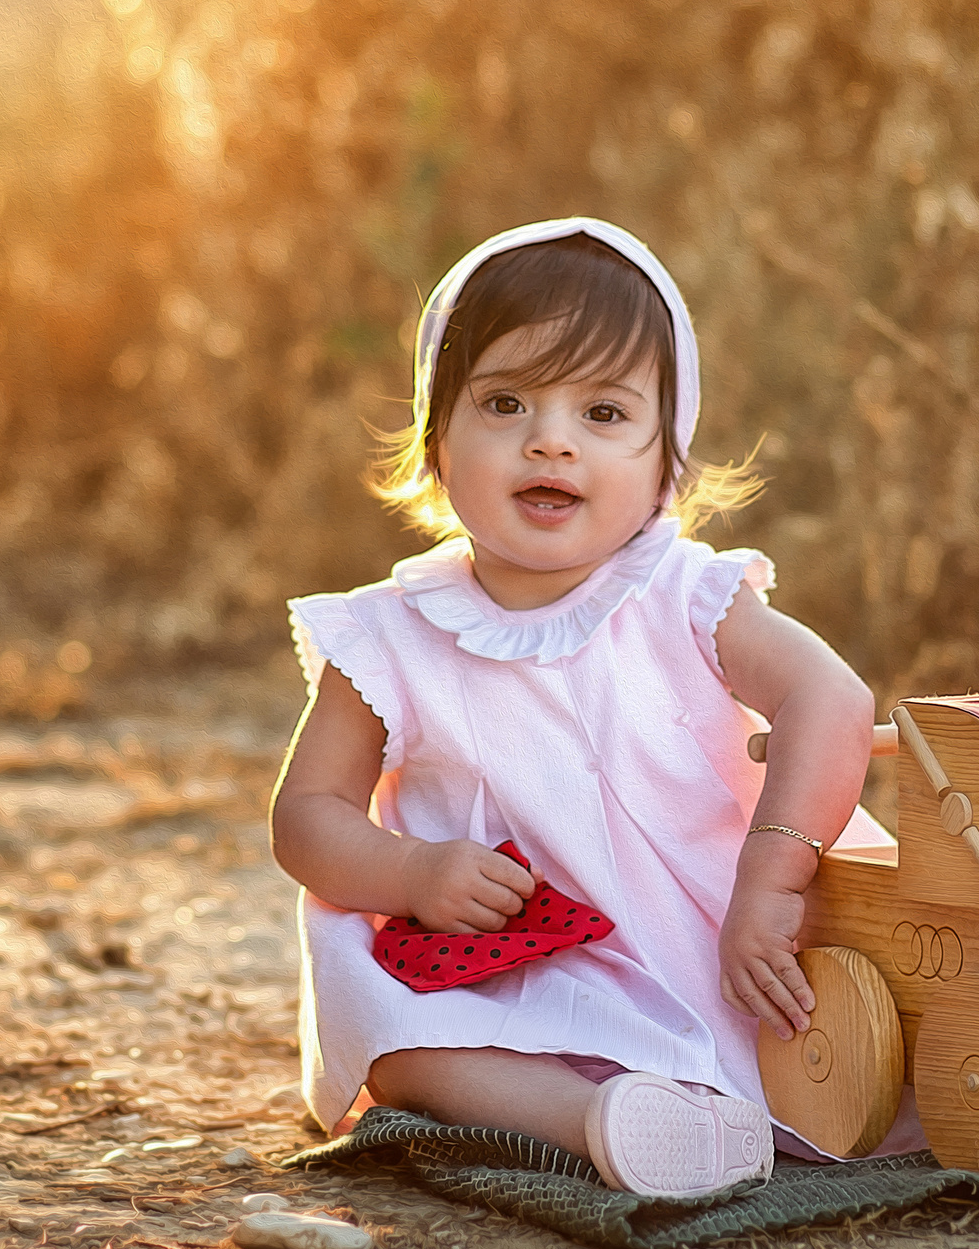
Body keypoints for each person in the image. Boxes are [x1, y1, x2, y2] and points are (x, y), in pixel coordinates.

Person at [269, 216, 893, 1199]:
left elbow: (831, 699)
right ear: (437, 439)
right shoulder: (387, 634)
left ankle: (695, 1105)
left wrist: (774, 877)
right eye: (507, 402)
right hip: (496, 968)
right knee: (385, 1030)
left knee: (874, 1023)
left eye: (603, 414)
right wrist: (411, 870)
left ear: (666, 462)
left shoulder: (685, 595)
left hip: (714, 938)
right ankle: (600, 1123)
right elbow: (305, 817)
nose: (550, 440)